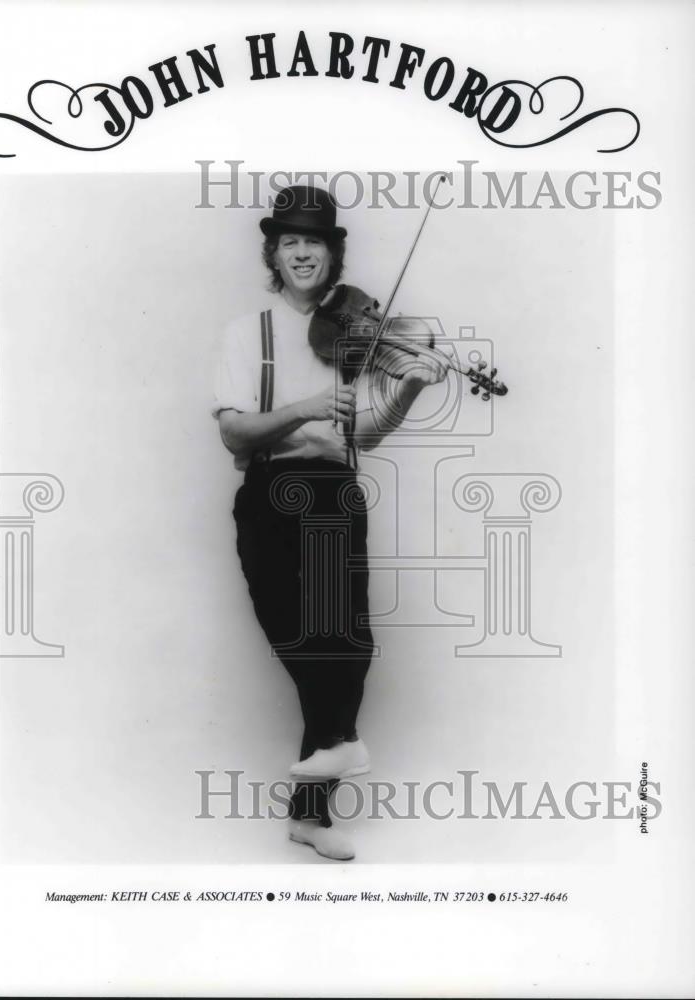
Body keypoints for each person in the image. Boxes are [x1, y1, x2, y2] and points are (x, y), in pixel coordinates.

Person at [212, 185, 449, 861]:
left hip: (332, 491)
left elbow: (366, 436)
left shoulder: (354, 331)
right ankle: (340, 744)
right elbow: (234, 435)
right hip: (269, 491)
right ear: (273, 253)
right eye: (289, 241)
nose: (301, 252)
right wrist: (306, 404)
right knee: (297, 632)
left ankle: (310, 816)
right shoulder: (245, 333)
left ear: (330, 251)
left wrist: (406, 387)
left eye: (313, 240)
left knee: (346, 641)